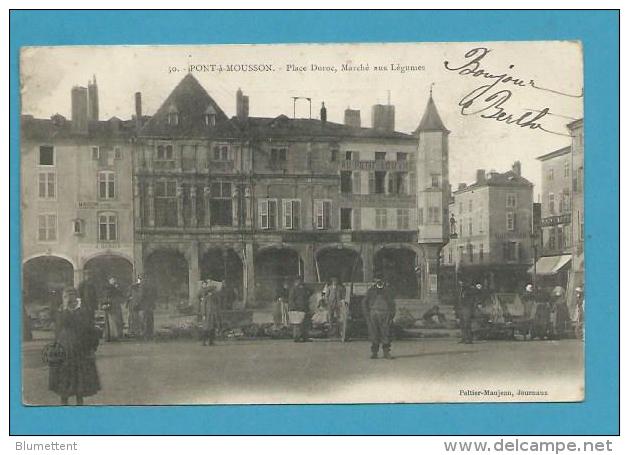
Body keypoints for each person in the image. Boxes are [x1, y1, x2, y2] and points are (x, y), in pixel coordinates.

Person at [48, 286, 100, 405]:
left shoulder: (82, 311)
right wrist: (65, 308)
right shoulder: (60, 312)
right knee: (64, 376)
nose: (70, 300)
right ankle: (64, 401)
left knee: (79, 377)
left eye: (72, 297)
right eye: (66, 297)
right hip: (64, 346)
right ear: (63, 298)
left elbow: (89, 329)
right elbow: (60, 326)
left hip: (80, 347)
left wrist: (91, 347)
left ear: (77, 298)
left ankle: (79, 402)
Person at [362, 278, 396, 359]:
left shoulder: (388, 290)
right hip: (374, 314)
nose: (379, 282)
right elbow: (364, 302)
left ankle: (386, 352)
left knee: (386, 333)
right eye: (377, 280)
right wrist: (367, 314)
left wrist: (392, 314)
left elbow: (392, 303)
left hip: (385, 314)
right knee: (374, 333)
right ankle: (374, 353)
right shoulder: (371, 291)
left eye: (381, 280)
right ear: (375, 281)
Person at [288, 276, 312, 342]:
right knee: (297, 324)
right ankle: (296, 337)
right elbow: (291, 299)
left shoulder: (304, 289)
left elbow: (311, 291)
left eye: (301, 281)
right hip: (297, 308)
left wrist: (305, 286)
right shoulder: (293, 289)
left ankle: (305, 337)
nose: (300, 282)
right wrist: (294, 307)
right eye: (299, 281)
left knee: (305, 324)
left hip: (304, 308)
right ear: (296, 281)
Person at [141, 276, 157, 340]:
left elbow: (141, 295)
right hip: (150, 304)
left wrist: (138, 304)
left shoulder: (143, 285)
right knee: (150, 320)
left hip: (145, 304)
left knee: (145, 320)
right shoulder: (152, 285)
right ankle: (150, 334)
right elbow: (155, 294)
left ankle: (146, 335)